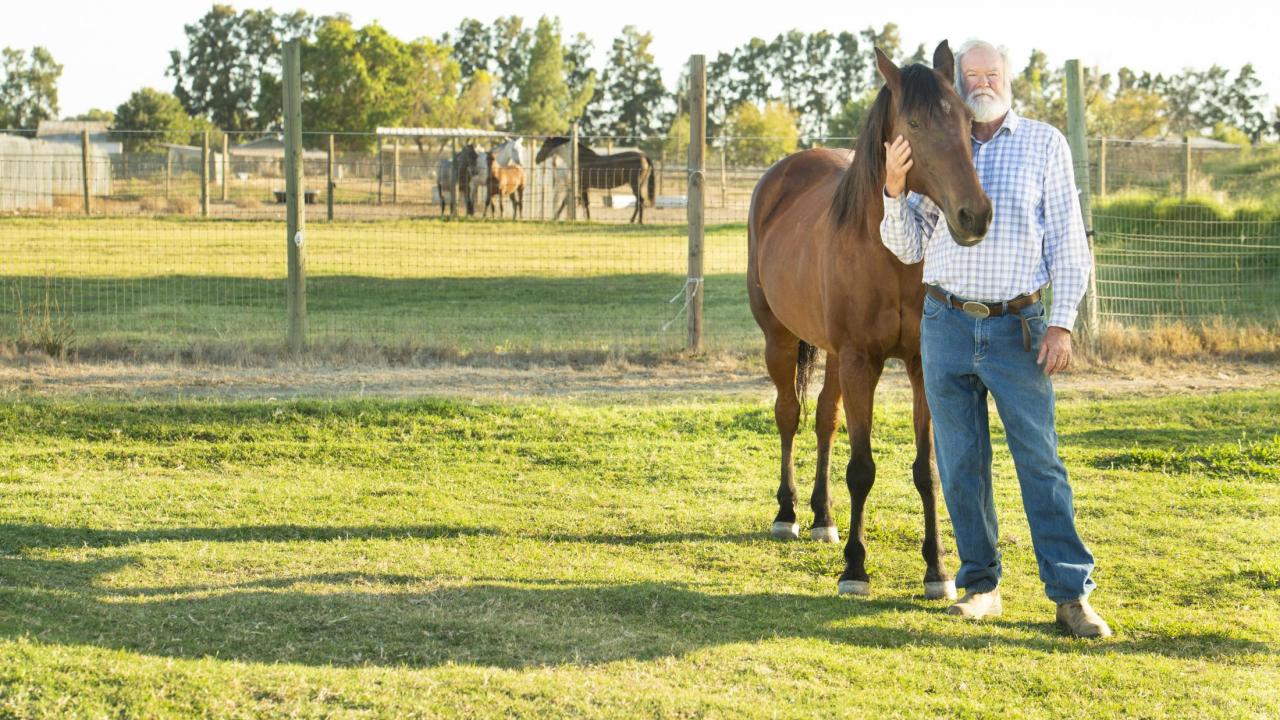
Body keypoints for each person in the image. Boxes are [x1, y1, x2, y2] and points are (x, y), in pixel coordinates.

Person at [879, 39, 1111, 638]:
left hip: (1018, 327)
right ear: (957, 82)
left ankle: (1070, 595)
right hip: (946, 323)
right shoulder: (941, 143)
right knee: (959, 466)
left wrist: (1062, 322)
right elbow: (907, 248)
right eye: (971, 74)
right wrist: (894, 191)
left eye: (992, 73)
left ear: (1008, 79)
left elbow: (1068, 241)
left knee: (1040, 462)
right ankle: (981, 585)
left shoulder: (1043, 144)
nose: (981, 82)